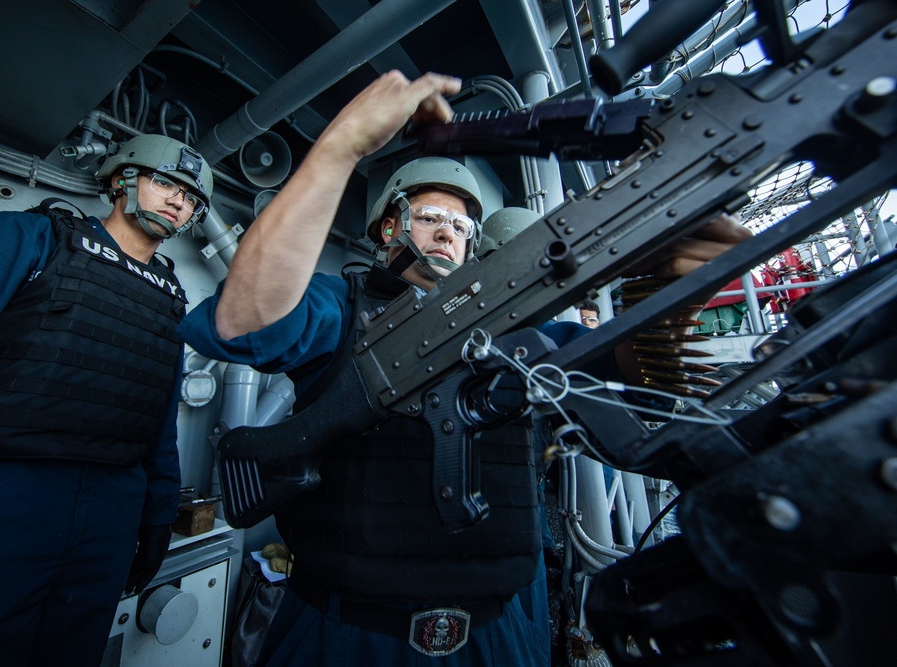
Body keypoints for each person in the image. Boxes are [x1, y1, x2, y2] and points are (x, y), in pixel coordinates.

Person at [179, 71, 750, 665]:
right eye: (429, 217)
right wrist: (342, 145)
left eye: (459, 225)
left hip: (499, 633)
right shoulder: (337, 307)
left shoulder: (521, 333)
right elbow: (245, 319)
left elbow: (631, 372)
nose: (446, 233)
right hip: (344, 631)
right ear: (389, 227)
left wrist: (673, 289)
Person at [0, 133, 212, 666]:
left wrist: (156, 513)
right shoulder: (29, 238)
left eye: (191, 197)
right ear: (120, 180)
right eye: (165, 181)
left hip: (106, 512)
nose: (178, 200)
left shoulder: (170, 298)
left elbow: (156, 420)